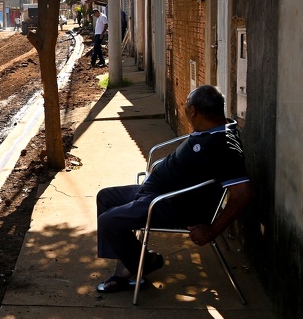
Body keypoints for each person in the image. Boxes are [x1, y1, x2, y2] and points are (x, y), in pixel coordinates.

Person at [95, 85, 253, 293]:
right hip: (156, 193)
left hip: (170, 204)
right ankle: (129, 263)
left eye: (187, 106)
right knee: (106, 197)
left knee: (108, 221)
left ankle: (144, 263)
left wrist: (213, 230)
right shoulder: (215, 129)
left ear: (193, 110)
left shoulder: (221, 146)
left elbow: (243, 194)